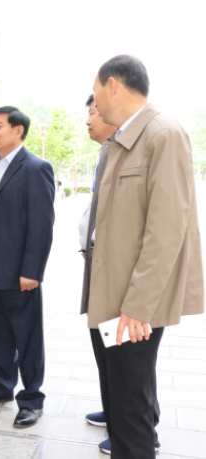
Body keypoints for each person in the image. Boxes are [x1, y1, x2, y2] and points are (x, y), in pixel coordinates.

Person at [88, 55, 204, 457]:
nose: (94, 101)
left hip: (135, 305)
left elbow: (168, 229)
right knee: (119, 404)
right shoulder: (121, 139)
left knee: (132, 411)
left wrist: (138, 306)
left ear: (113, 85)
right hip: (113, 296)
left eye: (97, 89)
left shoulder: (163, 133)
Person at [79, 94, 162, 454]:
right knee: (113, 364)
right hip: (101, 272)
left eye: (94, 111)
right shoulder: (107, 152)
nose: (89, 120)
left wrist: (140, 302)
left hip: (127, 283)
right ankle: (117, 415)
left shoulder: (157, 139)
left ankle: (136, 427)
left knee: (131, 373)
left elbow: (164, 230)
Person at [0, 106, 55, 428]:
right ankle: (1, 386)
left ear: (18, 131)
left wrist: (33, 271)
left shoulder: (36, 168)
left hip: (20, 271)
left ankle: (31, 399)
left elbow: (41, 226)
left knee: (26, 336)